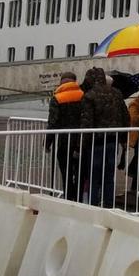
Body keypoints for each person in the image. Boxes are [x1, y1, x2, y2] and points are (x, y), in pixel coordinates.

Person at [79, 66, 127, 207]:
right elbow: (125, 117)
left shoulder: (89, 95)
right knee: (109, 177)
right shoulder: (117, 94)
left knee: (93, 177)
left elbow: (86, 123)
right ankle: (108, 206)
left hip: (96, 142)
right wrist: (123, 140)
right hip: (113, 141)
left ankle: (93, 207)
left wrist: (81, 146)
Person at [45, 71, 84, 201]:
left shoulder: (57, 97)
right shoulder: (84, 95)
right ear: (75, 81)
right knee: (80, 171)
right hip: (81, 141)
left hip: (64, 141)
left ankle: (69, 197)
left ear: (61, 82)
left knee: (66, 171)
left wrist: (48, 142)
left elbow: (53, 122)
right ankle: (78, 198)